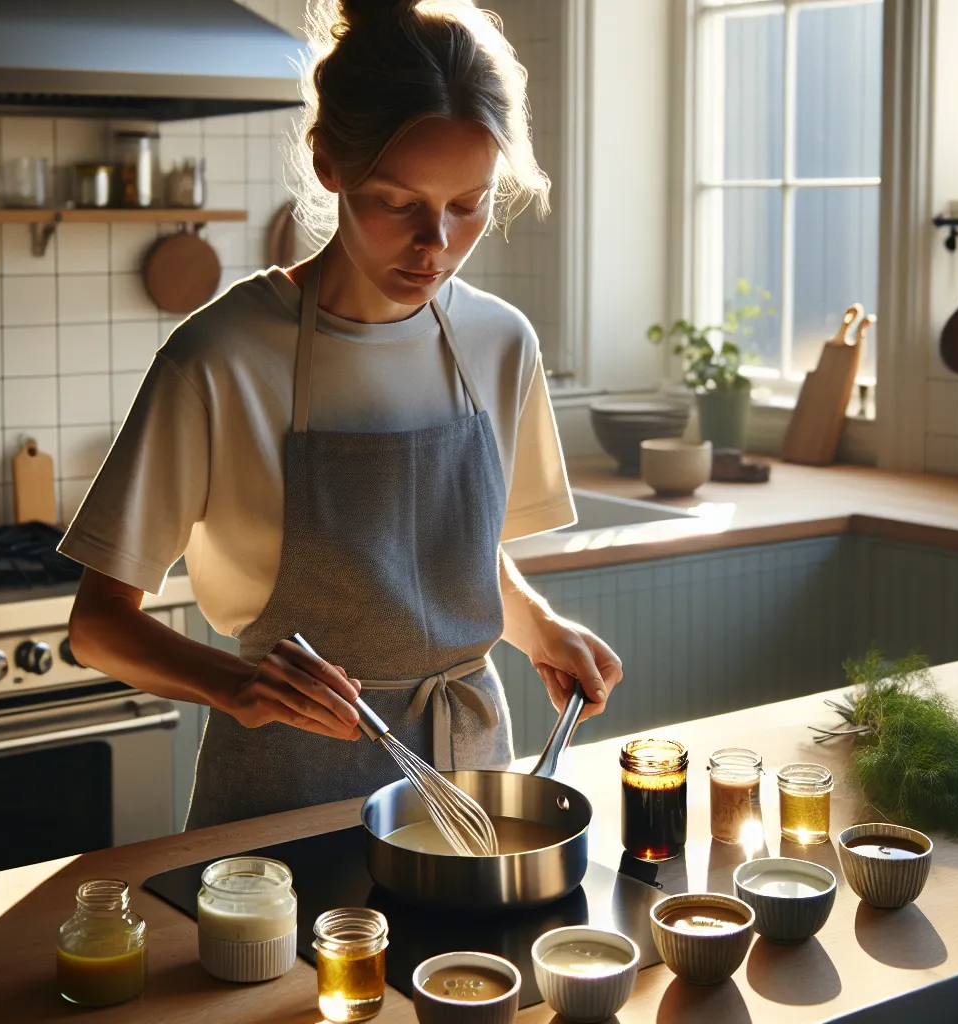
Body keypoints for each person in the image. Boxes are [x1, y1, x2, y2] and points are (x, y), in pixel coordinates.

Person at [60, 0, 622, 831]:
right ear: (329, 164)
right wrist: (235, 684)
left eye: (468, 204)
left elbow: (448, 563)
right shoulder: (220, 358)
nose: (435, 242)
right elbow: (98, 627)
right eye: (399, 202)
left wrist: (538, 627)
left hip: (467, 783)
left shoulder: (500, 344)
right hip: (282, 796)